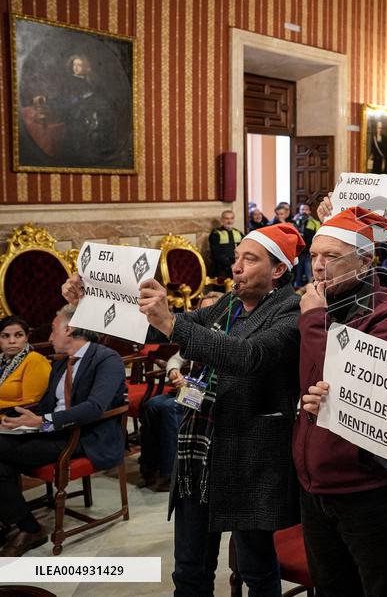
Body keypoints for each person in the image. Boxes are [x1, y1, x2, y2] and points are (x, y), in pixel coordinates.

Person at [64, 223, 305, 594]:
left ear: (278, 269)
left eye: (250, 259)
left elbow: (248, 356)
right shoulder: (229, 304)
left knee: (256, 569)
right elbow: (161, 330)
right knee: (190, 569)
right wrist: (92, 300)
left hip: (248, 456)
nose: (236, 267)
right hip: (200, 451)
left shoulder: (291, 312)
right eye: (236, 257)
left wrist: (171, 321)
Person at [296, 207, 387, 597]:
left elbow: (350, 385)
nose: (319, 266)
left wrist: (313, 320)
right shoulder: (316, 305)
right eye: (314, 255)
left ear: (366, 262)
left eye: (331, 256)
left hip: (368, 487)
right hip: (316, 484)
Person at [0, 306, 126, 556]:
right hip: (53, 431)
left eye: (53, 330)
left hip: (85, 436)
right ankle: (24, 524)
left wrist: (43, 421)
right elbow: (46, 405)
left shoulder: (107, 359)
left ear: (69, 329)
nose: (49, 338)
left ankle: (25, 526)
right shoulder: (61, 363)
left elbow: (94, 408)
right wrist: (21, 421)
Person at [138, 292, 223, 492]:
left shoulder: (222, 339)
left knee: (169, 409)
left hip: (209, 395)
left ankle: (171, 473)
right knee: (151, 405)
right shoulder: (196, 336)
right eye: (201, 310)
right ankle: (149, 467)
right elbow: (175, 359)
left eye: (208, 311)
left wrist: (189, 382)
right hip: (190, 389)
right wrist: (174, 372)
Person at [0, 316, 50, 413]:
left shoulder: (35, 360)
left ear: (26, 337)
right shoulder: (1, 360)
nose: (12, 341)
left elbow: (33, 404)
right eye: (5, 336)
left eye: (18, 335)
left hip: (17, 418)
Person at [293, 203, 322, 288]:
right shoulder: (294, 222)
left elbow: (318, 237)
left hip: (309, 253)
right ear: (299, 211)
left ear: (309, 211)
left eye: (306, 209)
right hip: (297, 253)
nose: (304, 211)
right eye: (302, 209)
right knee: (297, 275)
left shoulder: (315, 223)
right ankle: (297, 293)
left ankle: (312, 290)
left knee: (309, 274)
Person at [209, 209, 244, 278]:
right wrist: (230, 265)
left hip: (237, 266)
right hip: (221, 268)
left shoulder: (238, 233)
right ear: (222, 220)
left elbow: (243, 250)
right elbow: (216, 253)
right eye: (226, 218)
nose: (229, 221)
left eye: (231, 218)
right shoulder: (216, 234)